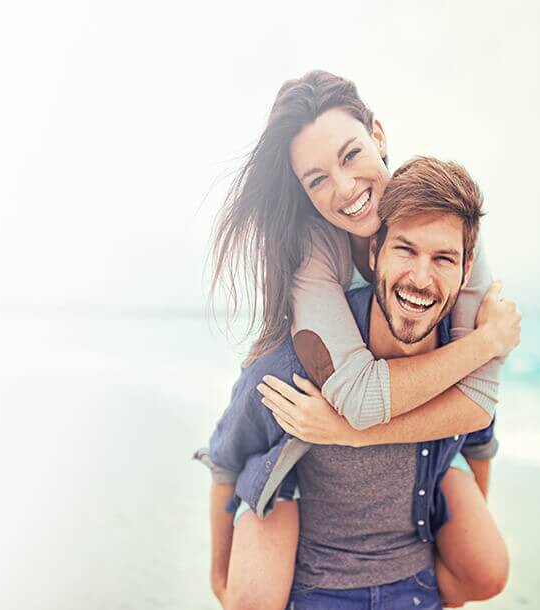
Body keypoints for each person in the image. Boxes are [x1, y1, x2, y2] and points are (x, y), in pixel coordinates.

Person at [201, 71, 521, 609]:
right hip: (325, 425)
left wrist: (368, 439)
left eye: (351, 155)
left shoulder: (447, 219)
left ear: (379, 135)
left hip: (427, 441)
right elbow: (356, 399)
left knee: (486, 564)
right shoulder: (313, 249)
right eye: (317, 179)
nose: (345, 189)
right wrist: (486, 343)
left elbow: (478, 405)